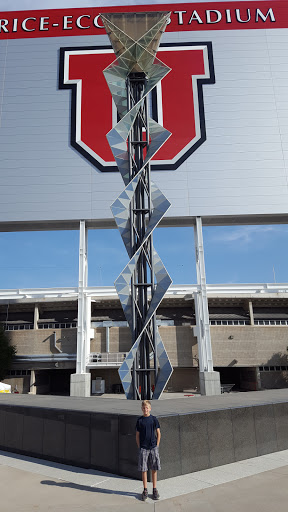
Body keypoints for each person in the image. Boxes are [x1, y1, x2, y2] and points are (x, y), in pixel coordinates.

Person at [135, 399, 161, 501]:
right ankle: (145, 489)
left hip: (153, 447)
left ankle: (154, 489)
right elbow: (137, 435)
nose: (145, 409)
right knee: (144, 469)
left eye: (147, 408)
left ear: (150, 408)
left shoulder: (154, 419)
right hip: (144, 448)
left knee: (154, 469)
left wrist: (156, 445)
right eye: (143, 408)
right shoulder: (140, 420)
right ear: (142, 409)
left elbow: (159, 433)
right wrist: (139, 446)